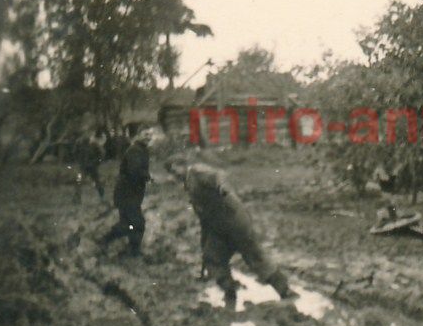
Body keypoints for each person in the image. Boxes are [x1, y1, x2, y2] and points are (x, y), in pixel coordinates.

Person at [177, 161, 294, 307]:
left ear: (181, 165)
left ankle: (285, 291)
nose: (174, 174)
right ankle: (230, 291)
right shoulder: (189, 184)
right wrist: (204, 240)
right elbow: (203, 216)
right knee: (212, 257)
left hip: (234, 221)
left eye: (175, 168)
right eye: (171, 171)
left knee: (254, 256)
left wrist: (222, 187)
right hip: (217, 226)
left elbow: (218, 175)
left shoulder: (197, 171)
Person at [102, 128, 152, 256]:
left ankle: (107, 241)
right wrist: (149, 177)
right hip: (127, 194)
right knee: (137, 223)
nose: (149, 137)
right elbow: (134, 171)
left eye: (150, 135)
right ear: (136, 135)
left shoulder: (140, 150)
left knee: (128, 224)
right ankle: (132, 250)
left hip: (130, 194)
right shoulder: (135, 150)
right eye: (146, 134)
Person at [73, 129, 107, 202]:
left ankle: (102, 197)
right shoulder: (79, 143)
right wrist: (79, 161)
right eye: (85, 134)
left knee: (97, 182)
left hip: (93, 167)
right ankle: (77, 198)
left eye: (88, 134)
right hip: (83, 166)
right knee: (79, 181)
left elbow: (102, 154)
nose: (86, 135)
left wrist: (97, 162)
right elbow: (75, 153)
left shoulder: (94, 144)